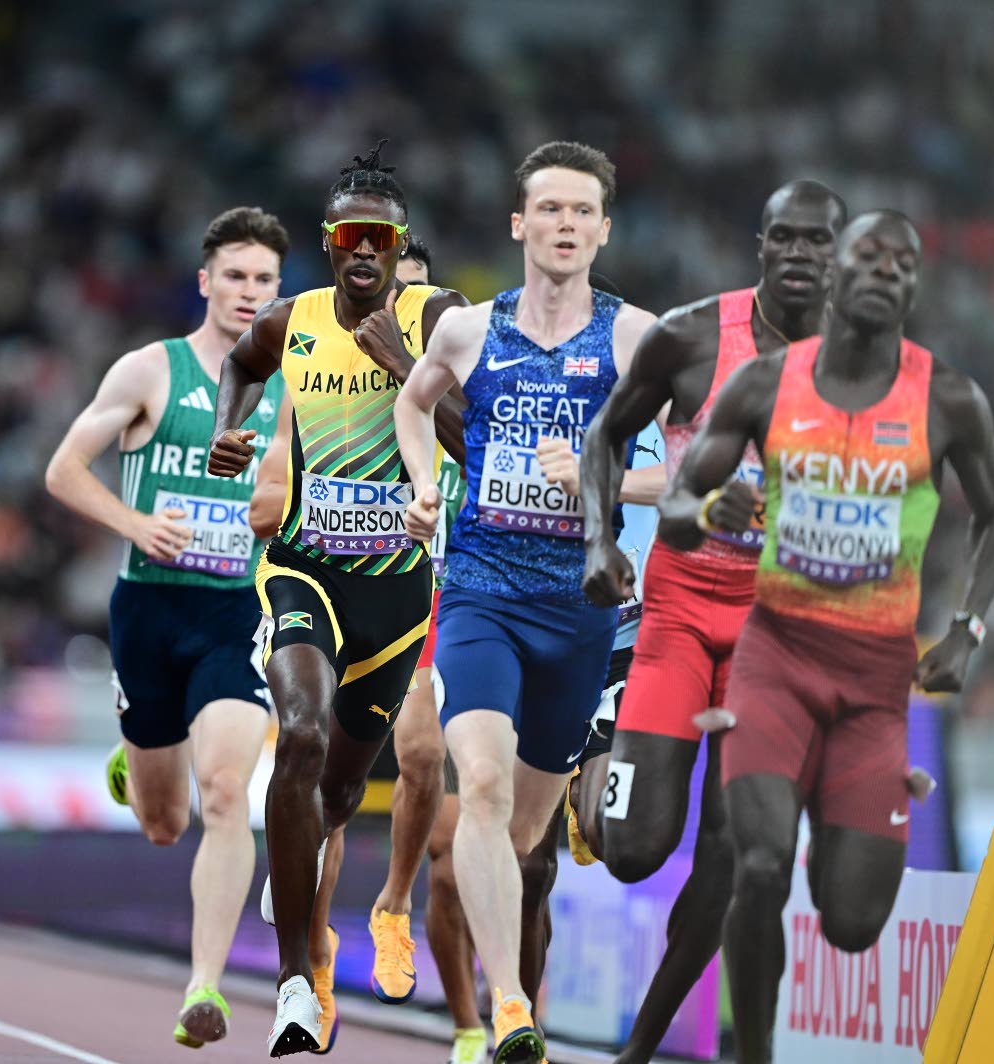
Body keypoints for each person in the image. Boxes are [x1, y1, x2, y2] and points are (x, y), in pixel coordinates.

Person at [656, 210, 994, 1064]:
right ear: (838, 273)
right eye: (869, 255)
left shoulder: (948, 399)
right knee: (757, 867)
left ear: (914, 286)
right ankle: (756, 1054)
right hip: (775, 661)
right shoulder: (765, 385)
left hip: (873, 683)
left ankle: (833, 825)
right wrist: (708, 509)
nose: (886, 271)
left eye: (904, 262)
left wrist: (966, 630)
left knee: (852, 922)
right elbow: (676, 507)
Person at [394, 140, 658, 1064]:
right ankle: (510, 1007)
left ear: (603, 230)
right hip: (481, 596)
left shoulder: (636, 340)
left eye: (582, 211)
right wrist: (423, 486)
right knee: (481, 782)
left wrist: (601, 476)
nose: (565, 225)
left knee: (522, 832)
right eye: (550, 208)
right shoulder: (468, 332)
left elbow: (695, 466)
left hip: (579, 612)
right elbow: (413, 404)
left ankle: (504, 980)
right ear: (520, 224)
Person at [205, 141, 468, 1057]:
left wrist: (406, 367)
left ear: (400, 245)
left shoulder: (439, 317)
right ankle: (294, 988)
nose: (364, 250)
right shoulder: (292, 319)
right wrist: (231, 430)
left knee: (343, 791)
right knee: (303, 734)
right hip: (303, 568)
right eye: (349, 234)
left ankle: (310, 893)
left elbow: (480, 442)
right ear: (327, 241)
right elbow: (240, 367)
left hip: (396, 595)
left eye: (380, 238)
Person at [575, 180, 844, 1062]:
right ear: (760, 244)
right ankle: (594, 750)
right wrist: (600, 541)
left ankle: (640, 1050)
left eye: (818, 241)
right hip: (682, 614)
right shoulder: (692, 336)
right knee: (631, 851)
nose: (799, 254)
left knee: (735, 856)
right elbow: (604, 438)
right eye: (784, 237)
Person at [45, 206, 290, 1048]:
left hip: (235, 613)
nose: (249, 291)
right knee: (164, 823)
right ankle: (138, 751)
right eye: (235, 276)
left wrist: (271, 511)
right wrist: (135, 523)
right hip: (150, 608)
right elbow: (64, 469)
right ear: (205, 282)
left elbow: (290, 496)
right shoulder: (151, 370)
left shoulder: (291, 388)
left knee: (224, 791)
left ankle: (204, 987)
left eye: (264, 279)